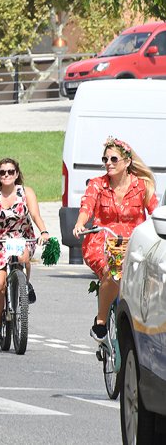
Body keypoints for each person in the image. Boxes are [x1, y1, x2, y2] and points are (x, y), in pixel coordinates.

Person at [72, 137, 157, 343]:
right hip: (102, 240)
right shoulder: (97, 185)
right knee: (112, 272)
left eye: (113, 159)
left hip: (134, 241)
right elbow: (86, 207)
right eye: (105, 159)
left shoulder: (142, 186)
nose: (108, 163)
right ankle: (100, 323)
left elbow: (155, 213)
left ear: (127, 162)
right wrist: (80, 223)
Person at [0, 158, 51, 342]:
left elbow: (35, 214)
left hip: (21, 236)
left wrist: (44, 231)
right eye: (2, 172)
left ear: (17, 174)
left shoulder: (26, 192)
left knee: (23, 256)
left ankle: (25, 285)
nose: (7, 175)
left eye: (10, 172)